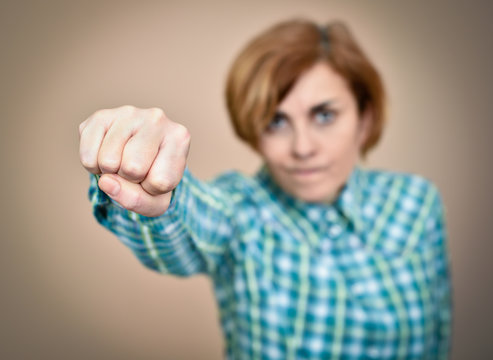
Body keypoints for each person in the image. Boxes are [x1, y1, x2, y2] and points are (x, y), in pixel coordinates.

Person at [79, 18, 452, 359]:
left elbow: (438, 337)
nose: (303, 147)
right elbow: (194, 217)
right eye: (276, 121)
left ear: (364, 119)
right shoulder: (242, 212)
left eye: (325, 115)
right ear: (254, 133)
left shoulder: (417, 204)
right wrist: (155, 188)